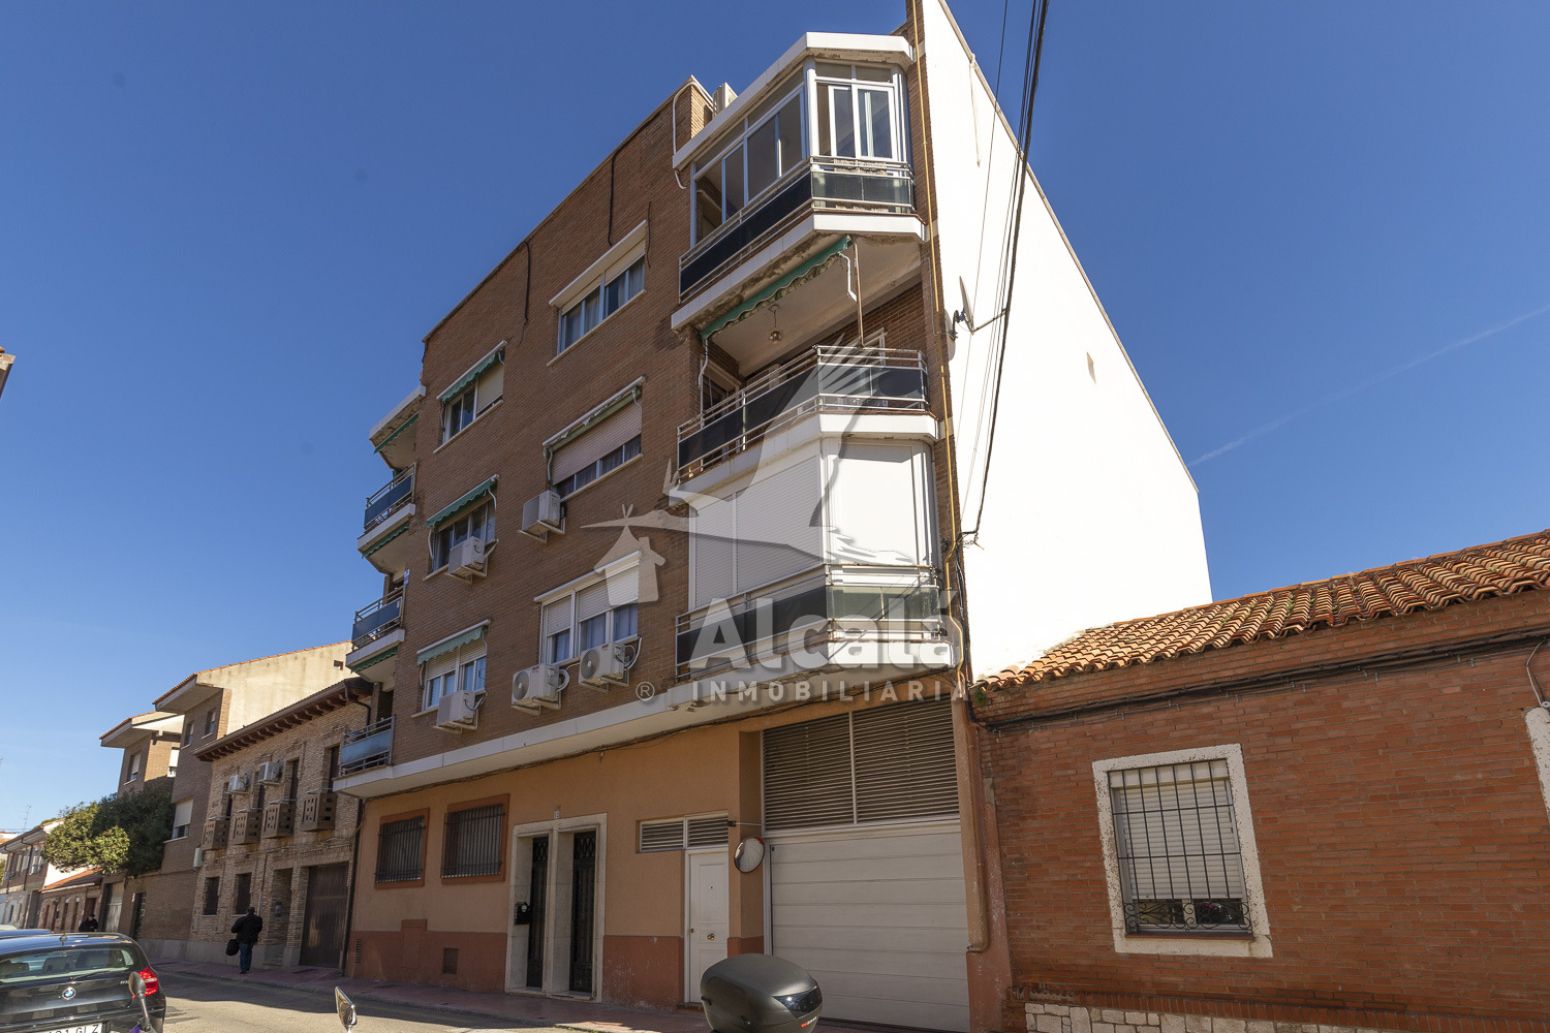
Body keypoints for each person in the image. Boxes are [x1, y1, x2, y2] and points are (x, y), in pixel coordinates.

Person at [230, 906, 263, 974]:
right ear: (254, 911)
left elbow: (233, 930)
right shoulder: (258, 919)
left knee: (243, 954)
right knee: (249, 953)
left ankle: (243, 969)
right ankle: (247, 967)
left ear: (247, 911)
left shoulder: (242, 919)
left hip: (242, 939)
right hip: (252, 940)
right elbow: (259, 929)